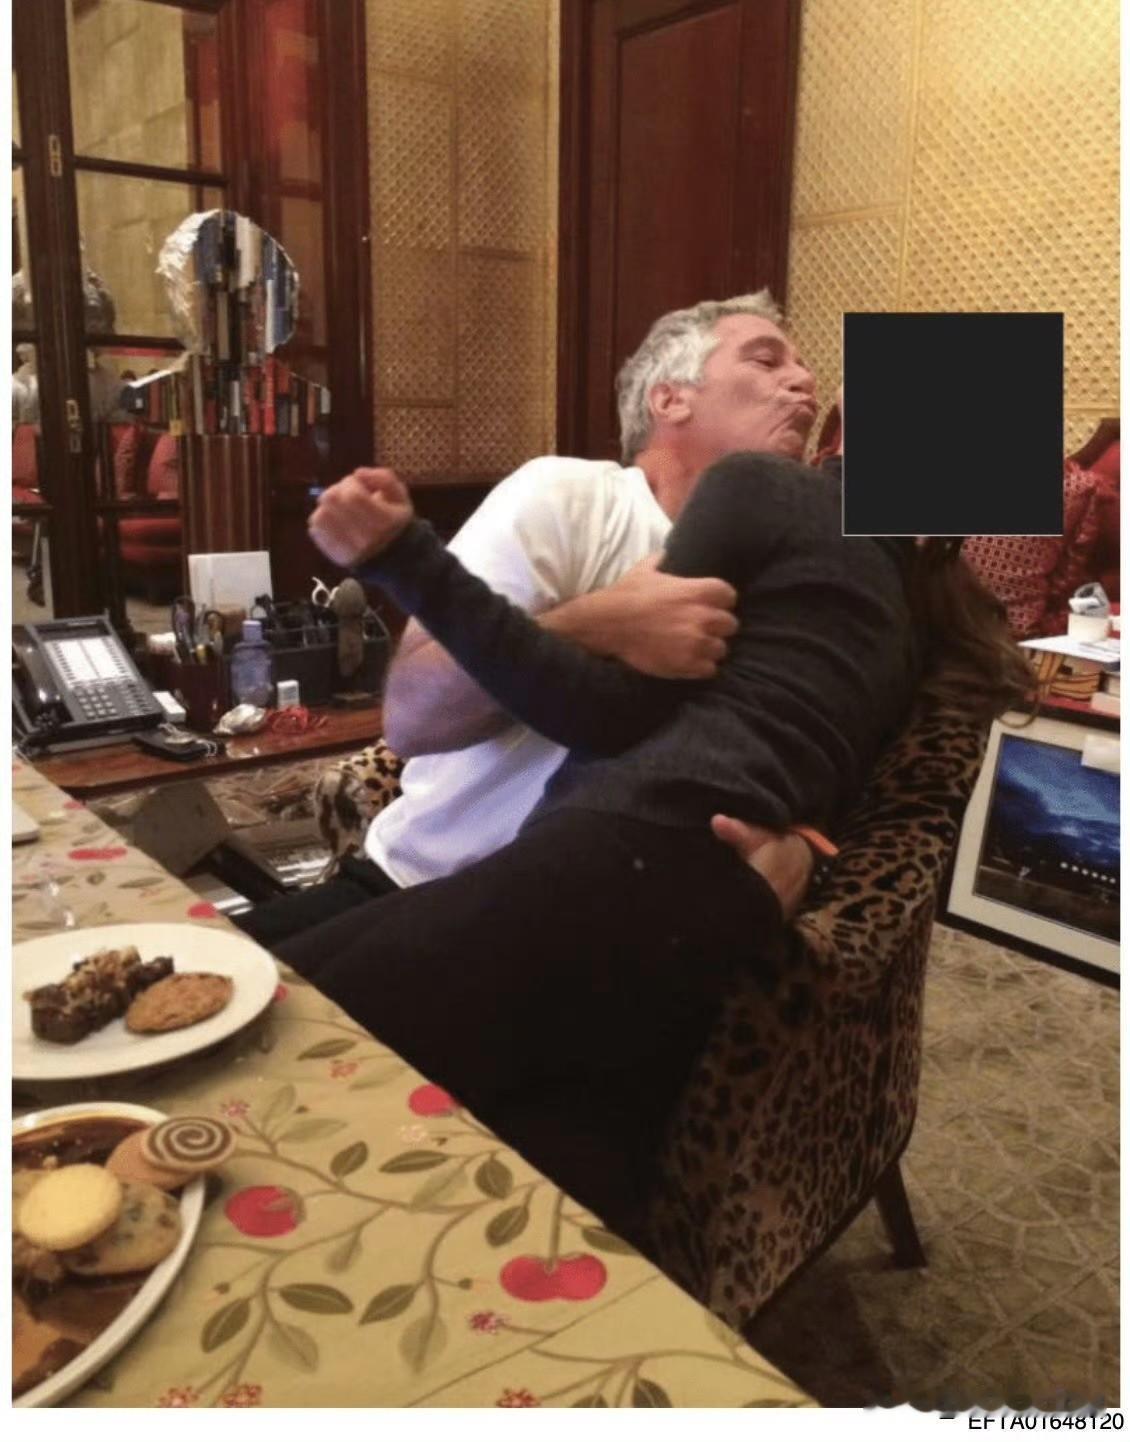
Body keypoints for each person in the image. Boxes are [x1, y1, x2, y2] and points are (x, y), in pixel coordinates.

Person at [271, 443, 1030, 1228]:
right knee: (552, 1190)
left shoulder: (761, 487)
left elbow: (599, 710)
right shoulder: (916, 611)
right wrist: (813, 849)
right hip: (714, 924)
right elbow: (862, 800)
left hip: (624, 860)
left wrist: (404, 555)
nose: (798, 390)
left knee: (271, 1040)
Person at [237, 291, 821, 950]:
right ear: (670, 399)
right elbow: (413, 720)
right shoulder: (571, 497)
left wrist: (808, 844)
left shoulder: (798, 563)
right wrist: (603, 623)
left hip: (618, 938)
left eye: (803, 367)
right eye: (766, 360)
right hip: (422, 887)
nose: (804, 381)